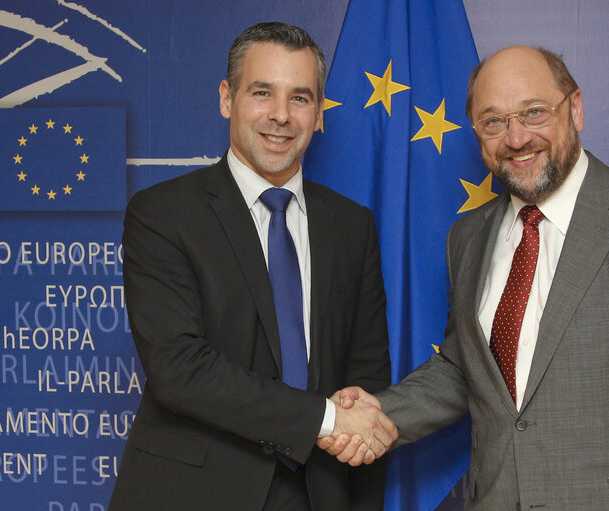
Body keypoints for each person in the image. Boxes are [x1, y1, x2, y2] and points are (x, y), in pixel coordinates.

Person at [320, 45, 609, 509]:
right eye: (493, 121)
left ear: (575, 109)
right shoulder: (468, 237)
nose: (516, 138)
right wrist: (378, 415)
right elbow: (467, 368)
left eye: (534, 112)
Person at [109, 22, 397, 511]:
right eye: (262, 93)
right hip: (193, 494)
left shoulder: (352, 225)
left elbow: (366, 375)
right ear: (227, 98)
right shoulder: (162, 214)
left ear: (319, 112)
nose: (281, 116)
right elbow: (179, 368)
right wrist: (326, 420)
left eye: (300, 98)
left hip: (320, 489)